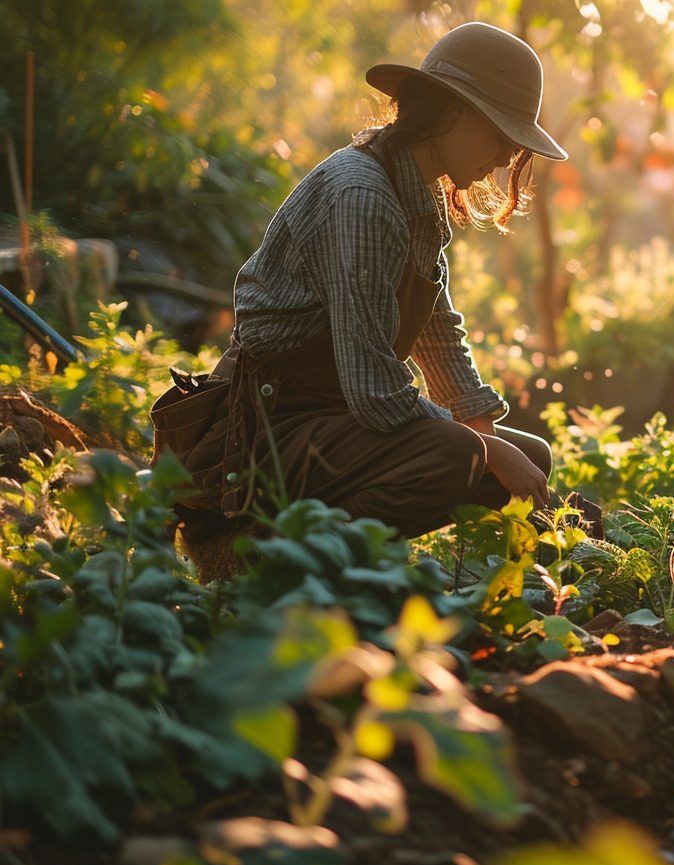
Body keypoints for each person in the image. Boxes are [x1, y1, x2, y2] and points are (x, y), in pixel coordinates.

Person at [156, 22, 568, 541]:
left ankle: (346, 553)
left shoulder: (417, 191)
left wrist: (482, 427)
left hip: (332, 423)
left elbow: (436, 332)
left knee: (528, 456)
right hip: (267, 431)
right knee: (462, 455)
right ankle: (279, 557)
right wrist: (483, 449)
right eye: (504, 135)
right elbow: (376, 392)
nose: (509, 157)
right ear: (457, 110)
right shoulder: (363, 195)